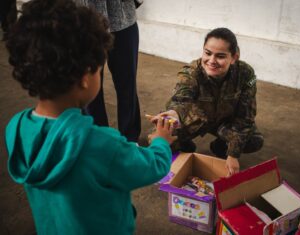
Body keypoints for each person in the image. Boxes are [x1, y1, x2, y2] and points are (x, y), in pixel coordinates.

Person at [4, 0, 176, 234]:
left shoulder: (16, 127)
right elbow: (152, 167)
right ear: (86, 77)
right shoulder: (102, 145)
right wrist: (161, 141)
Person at [149, 28, 264, 176]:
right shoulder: (191, 72)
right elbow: (180, 100)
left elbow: (245, 117)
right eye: (207, 53)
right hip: (196, 120)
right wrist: (173, 114)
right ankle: (185, 145)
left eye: (220, 56)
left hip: (225, 122)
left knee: (254, 140)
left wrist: (233, 154)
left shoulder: (246, 74)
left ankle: (221, 147)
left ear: (234, 57)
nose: (212, 61)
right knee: (158, 138)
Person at [75, 0, 141, 143]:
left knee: (127, 84)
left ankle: (130, 138)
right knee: (89, 88)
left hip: (123, 18)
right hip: (83, 22)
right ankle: (98, 139)